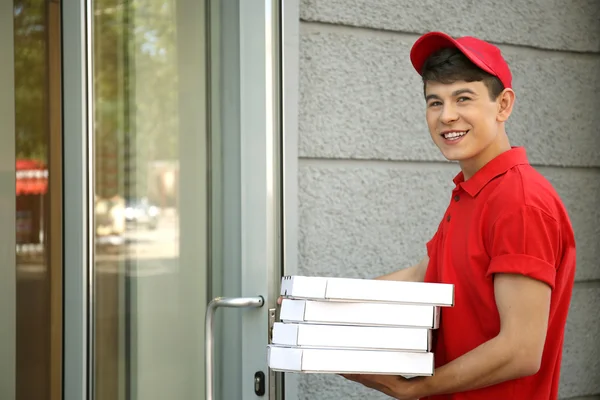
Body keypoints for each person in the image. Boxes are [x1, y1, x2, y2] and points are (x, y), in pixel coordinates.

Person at [338, 32, 577, 399]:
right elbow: (424, 273)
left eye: (463, 98)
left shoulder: (520, 201)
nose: (447, 116)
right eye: (435, 102)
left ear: (503, 105)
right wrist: (317, 307)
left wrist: (418, 388)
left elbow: (521, 350)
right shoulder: (472, 192)